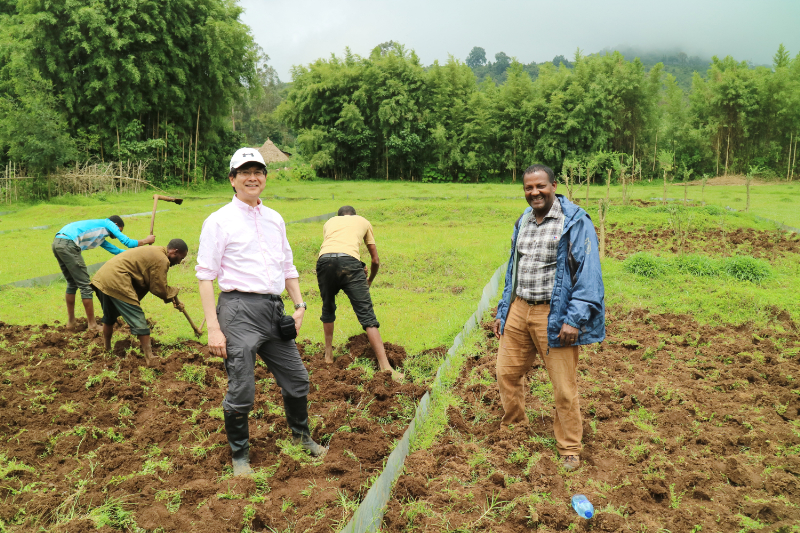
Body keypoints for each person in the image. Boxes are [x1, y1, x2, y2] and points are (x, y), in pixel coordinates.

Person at [196, 147, 325, 477]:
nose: (252, 178)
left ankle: (301, 438)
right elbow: (205, 276)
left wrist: (299, 306)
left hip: (274, 310)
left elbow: (287, 266)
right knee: (242, 387)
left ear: (265, 178)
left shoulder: (274, 219)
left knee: (297, 378)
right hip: (238, 310)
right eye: (245, 172)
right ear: (232, 179)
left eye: (258, 172)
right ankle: (240, 457)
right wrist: (213, 327)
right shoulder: (219, 221)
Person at [492, 164, 605, 472]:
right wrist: (503, 310)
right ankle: (515, 427)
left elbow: (588, 275)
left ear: (554, 186)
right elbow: (513, 270)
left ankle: (569, 447)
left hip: (554, 314)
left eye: (540, 186)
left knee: (563, 387)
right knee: (506, 373)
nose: (535, 192)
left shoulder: (574, 221)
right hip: (519, 309)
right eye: (529, 188)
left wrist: (574, 319)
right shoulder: (524, 221)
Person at [316, 205, 402, 380]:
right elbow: (375, 260)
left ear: (339, 216)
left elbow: (335, 250)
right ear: (354, 215)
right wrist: (369, 279)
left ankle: (328, 356)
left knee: (328, 306)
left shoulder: (329, 222)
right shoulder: (363, 221)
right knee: (367, 316)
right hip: (349, 263)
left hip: (324, 262)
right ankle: (386, 368)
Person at [91, 239, 188, 365]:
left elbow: (150, 281)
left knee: (110, 316)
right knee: (138, 318)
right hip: (117, 280)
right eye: (181, 258)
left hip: (103, 277)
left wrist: (171, 298)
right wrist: (173, 293)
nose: (179, 262)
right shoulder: (162, 259)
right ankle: (149, 357)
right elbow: (158, 287)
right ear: (174, 252)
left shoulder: (156, 251)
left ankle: (107, 348)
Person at [52, 216, 155, 331]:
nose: (117, 234)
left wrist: (138, 255)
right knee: (86, 286)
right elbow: (128, 242)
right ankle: (92, 325)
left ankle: (71, 322)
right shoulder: (108, 223)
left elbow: (117, 251)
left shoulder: (99, 237)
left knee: (72, 283)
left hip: (58, 243)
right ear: (116, 225)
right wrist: (146, 240)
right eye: (119, 231)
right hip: (68, 244)